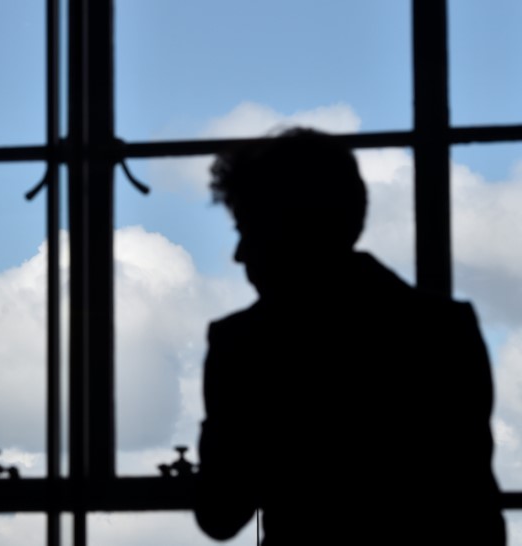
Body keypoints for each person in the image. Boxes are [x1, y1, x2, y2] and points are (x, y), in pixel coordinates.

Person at [194, 128, 506, 545]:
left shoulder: (243, 344)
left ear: (284, 232)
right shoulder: (446, 330)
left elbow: (220, 514)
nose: (240, 253)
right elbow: (476, 517)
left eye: (248, 229)